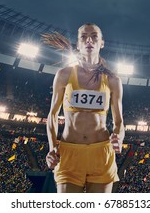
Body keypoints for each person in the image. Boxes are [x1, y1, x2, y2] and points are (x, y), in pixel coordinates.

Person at [45, 23, 125, 193]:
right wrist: (52, 148)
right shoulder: (64, 74)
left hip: (101, 153)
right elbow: (52, 115)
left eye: (94, 36)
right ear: (78, 44)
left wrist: (119, 137)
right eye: (84, 36)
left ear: (102, 43)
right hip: (69, 153)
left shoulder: (113, 80)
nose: (89, 39)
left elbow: (119, 121)